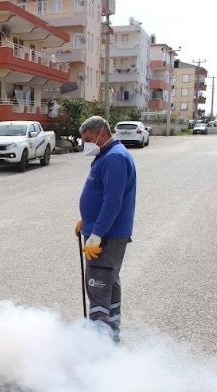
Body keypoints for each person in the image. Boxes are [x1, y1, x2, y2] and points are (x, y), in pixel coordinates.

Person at [75, 115, 136, 343]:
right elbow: (100, 196)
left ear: (102, 133)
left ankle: (98, 351)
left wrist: (97, 234)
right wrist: (87, 222)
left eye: (88, 139)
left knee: (98, 285)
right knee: (109, 282)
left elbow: (113, 201)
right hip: (101, 231)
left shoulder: (115, 158)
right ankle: (111, 339)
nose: (86, 144)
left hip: (107, 236)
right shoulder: (106, 155)